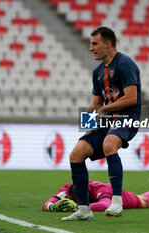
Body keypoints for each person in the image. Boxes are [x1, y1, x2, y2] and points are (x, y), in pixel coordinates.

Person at [61, 26, 142, 221]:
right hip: (108, 120)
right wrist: (85, 119)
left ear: (108, 44)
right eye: (91, 44)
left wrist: (106, 109)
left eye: (95, 43)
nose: (91, 48)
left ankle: (116, 202)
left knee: (108, 144)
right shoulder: (98, 72)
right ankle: (83, 209)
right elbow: (97, 104)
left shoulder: (125, 64)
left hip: (126, 117)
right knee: (76, 154)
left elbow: (132, 98)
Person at [42, 180, 149, 213]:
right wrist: (53, 207)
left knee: (143, 201)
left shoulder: (100, 189)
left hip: (113, 193)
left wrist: (77, 207)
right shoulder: (67, 189)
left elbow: (106, 205)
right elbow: (46, 204)